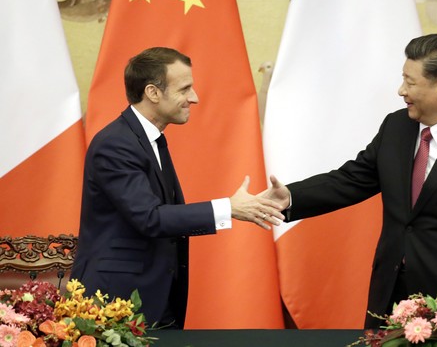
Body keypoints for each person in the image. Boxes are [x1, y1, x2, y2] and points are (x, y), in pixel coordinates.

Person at [262, 34, 437, 328]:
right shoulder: (396, 127)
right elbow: (352, 179)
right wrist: (290, 197)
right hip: (389, 290)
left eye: (410, 82)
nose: (401, 90)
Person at [71, 47, 284, 329]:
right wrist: (228, 208)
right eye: (185, 89)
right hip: (115, 302)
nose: (194, 98)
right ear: (153, 92)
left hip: (155, 297)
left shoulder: (150, 139)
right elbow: (150, 218)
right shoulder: (116, 144)